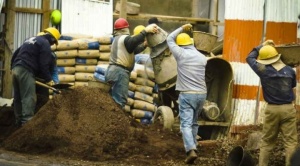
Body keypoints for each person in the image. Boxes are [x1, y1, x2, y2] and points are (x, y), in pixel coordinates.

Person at [246, 40, 298, 166]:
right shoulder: (290, 71)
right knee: (290, 142)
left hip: (272, 110)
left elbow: (249, 57)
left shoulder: (263, 70)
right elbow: (293, 87)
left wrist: (262, 46)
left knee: (267, 142)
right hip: (288, 109)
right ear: (277, 55)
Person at [166, 23, 207, 164]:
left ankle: (191, 150)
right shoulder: (203, 58)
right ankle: (194, 146)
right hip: (202, 94)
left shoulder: (181, 54)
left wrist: (182, 28)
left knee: (185, 124)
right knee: (194, 122)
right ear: (191, 42)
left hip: (187, 94)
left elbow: (169, 39)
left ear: (181, 45)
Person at [11, 27, 61, 127]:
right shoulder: (45, 43)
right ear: (52, 39)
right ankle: (27, 124)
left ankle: (18, 121)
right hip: (26, 69)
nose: (52, 45)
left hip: (16, 68)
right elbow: (44, 64)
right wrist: (48, 79)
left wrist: (11, 67)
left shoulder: (30, 39)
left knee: (18, 97)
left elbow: (16, 53)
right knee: (29, 97)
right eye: (53, 42)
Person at [105, 18, 157, 108]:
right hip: (120, 72)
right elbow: (133, 41)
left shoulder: (117, 39)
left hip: (112, 71)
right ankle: (115, 122)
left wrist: (144, 45)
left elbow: (132, 50)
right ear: (125, 29)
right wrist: (145, 31)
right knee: (119, 101)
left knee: (111, 100)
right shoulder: (124, 38)